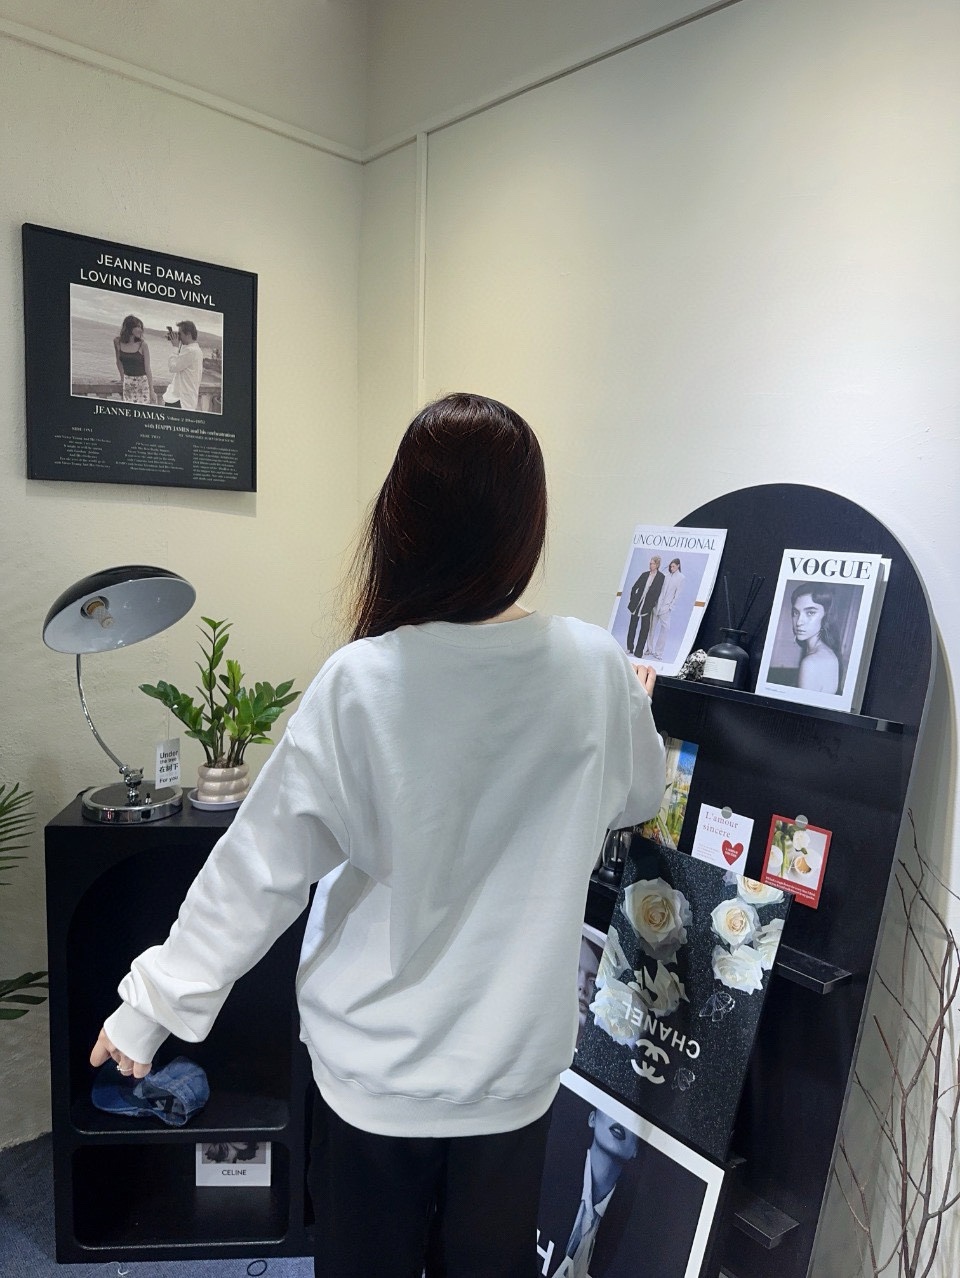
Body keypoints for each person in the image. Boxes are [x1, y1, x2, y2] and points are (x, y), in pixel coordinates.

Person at [89, 392, 665, 1278]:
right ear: (527, 526)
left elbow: (261, 869)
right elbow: (638, 796)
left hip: (374, 1074)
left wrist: (150, 1010)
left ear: (402, 522)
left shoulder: (361, 681)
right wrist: (634, 705)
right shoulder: (596, 670)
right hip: (513, 1074)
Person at [554, 1108, 640, 1278]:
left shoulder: (629, 1238)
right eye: (614, 1104)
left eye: (633, 1116)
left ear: (636, 1150)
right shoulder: (552, 1173)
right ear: (592, 1118)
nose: (623, 1117)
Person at [791, 584, 842, 693]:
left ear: (826, 616)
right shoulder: (827, 653)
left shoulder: (811, 662)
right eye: (796, 612)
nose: (799, 622)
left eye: (810, 613)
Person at [644, 557, 684, 661]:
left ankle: (659, 652)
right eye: (670, 566)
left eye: (673, 566)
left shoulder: (681, 578)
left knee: (665, 629)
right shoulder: (666, 576)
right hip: (656, 605)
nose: (671, 568)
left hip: (666, 607)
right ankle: (649, 649)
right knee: (651, 628)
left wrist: (670, 606)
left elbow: (677, 595)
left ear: (678, 566)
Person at [625, 555, 664, 657]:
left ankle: (638, 652)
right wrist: (633, 600)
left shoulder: (661, 577)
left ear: (657, 565)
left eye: (652, 563)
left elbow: (658, 593)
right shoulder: (644, 574)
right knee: (632, 626)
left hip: (647, 607)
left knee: (644, 629)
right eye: (650, 563)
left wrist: (651, 605)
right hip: (637, 605)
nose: (650, 565)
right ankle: (629, 648)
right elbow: (634, 587)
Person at [162, 319, 204, 410]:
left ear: (188, 334)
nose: (179, 336)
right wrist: (177, 341)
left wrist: (175, 347)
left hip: (181, 401)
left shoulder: (191, 351)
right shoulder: (195, 350)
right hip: (186, 399)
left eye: (180, 333)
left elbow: (172, 367)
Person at [112, 314, 154, 404]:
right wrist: (122, 378)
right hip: (128, 383)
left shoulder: (142, 345)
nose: (141, 330)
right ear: (129, 327)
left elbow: (148, 369)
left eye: (141, 327)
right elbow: (118, 362)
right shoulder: (117, 342)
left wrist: (152, 391)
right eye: (138, 327)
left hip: (142, 384)